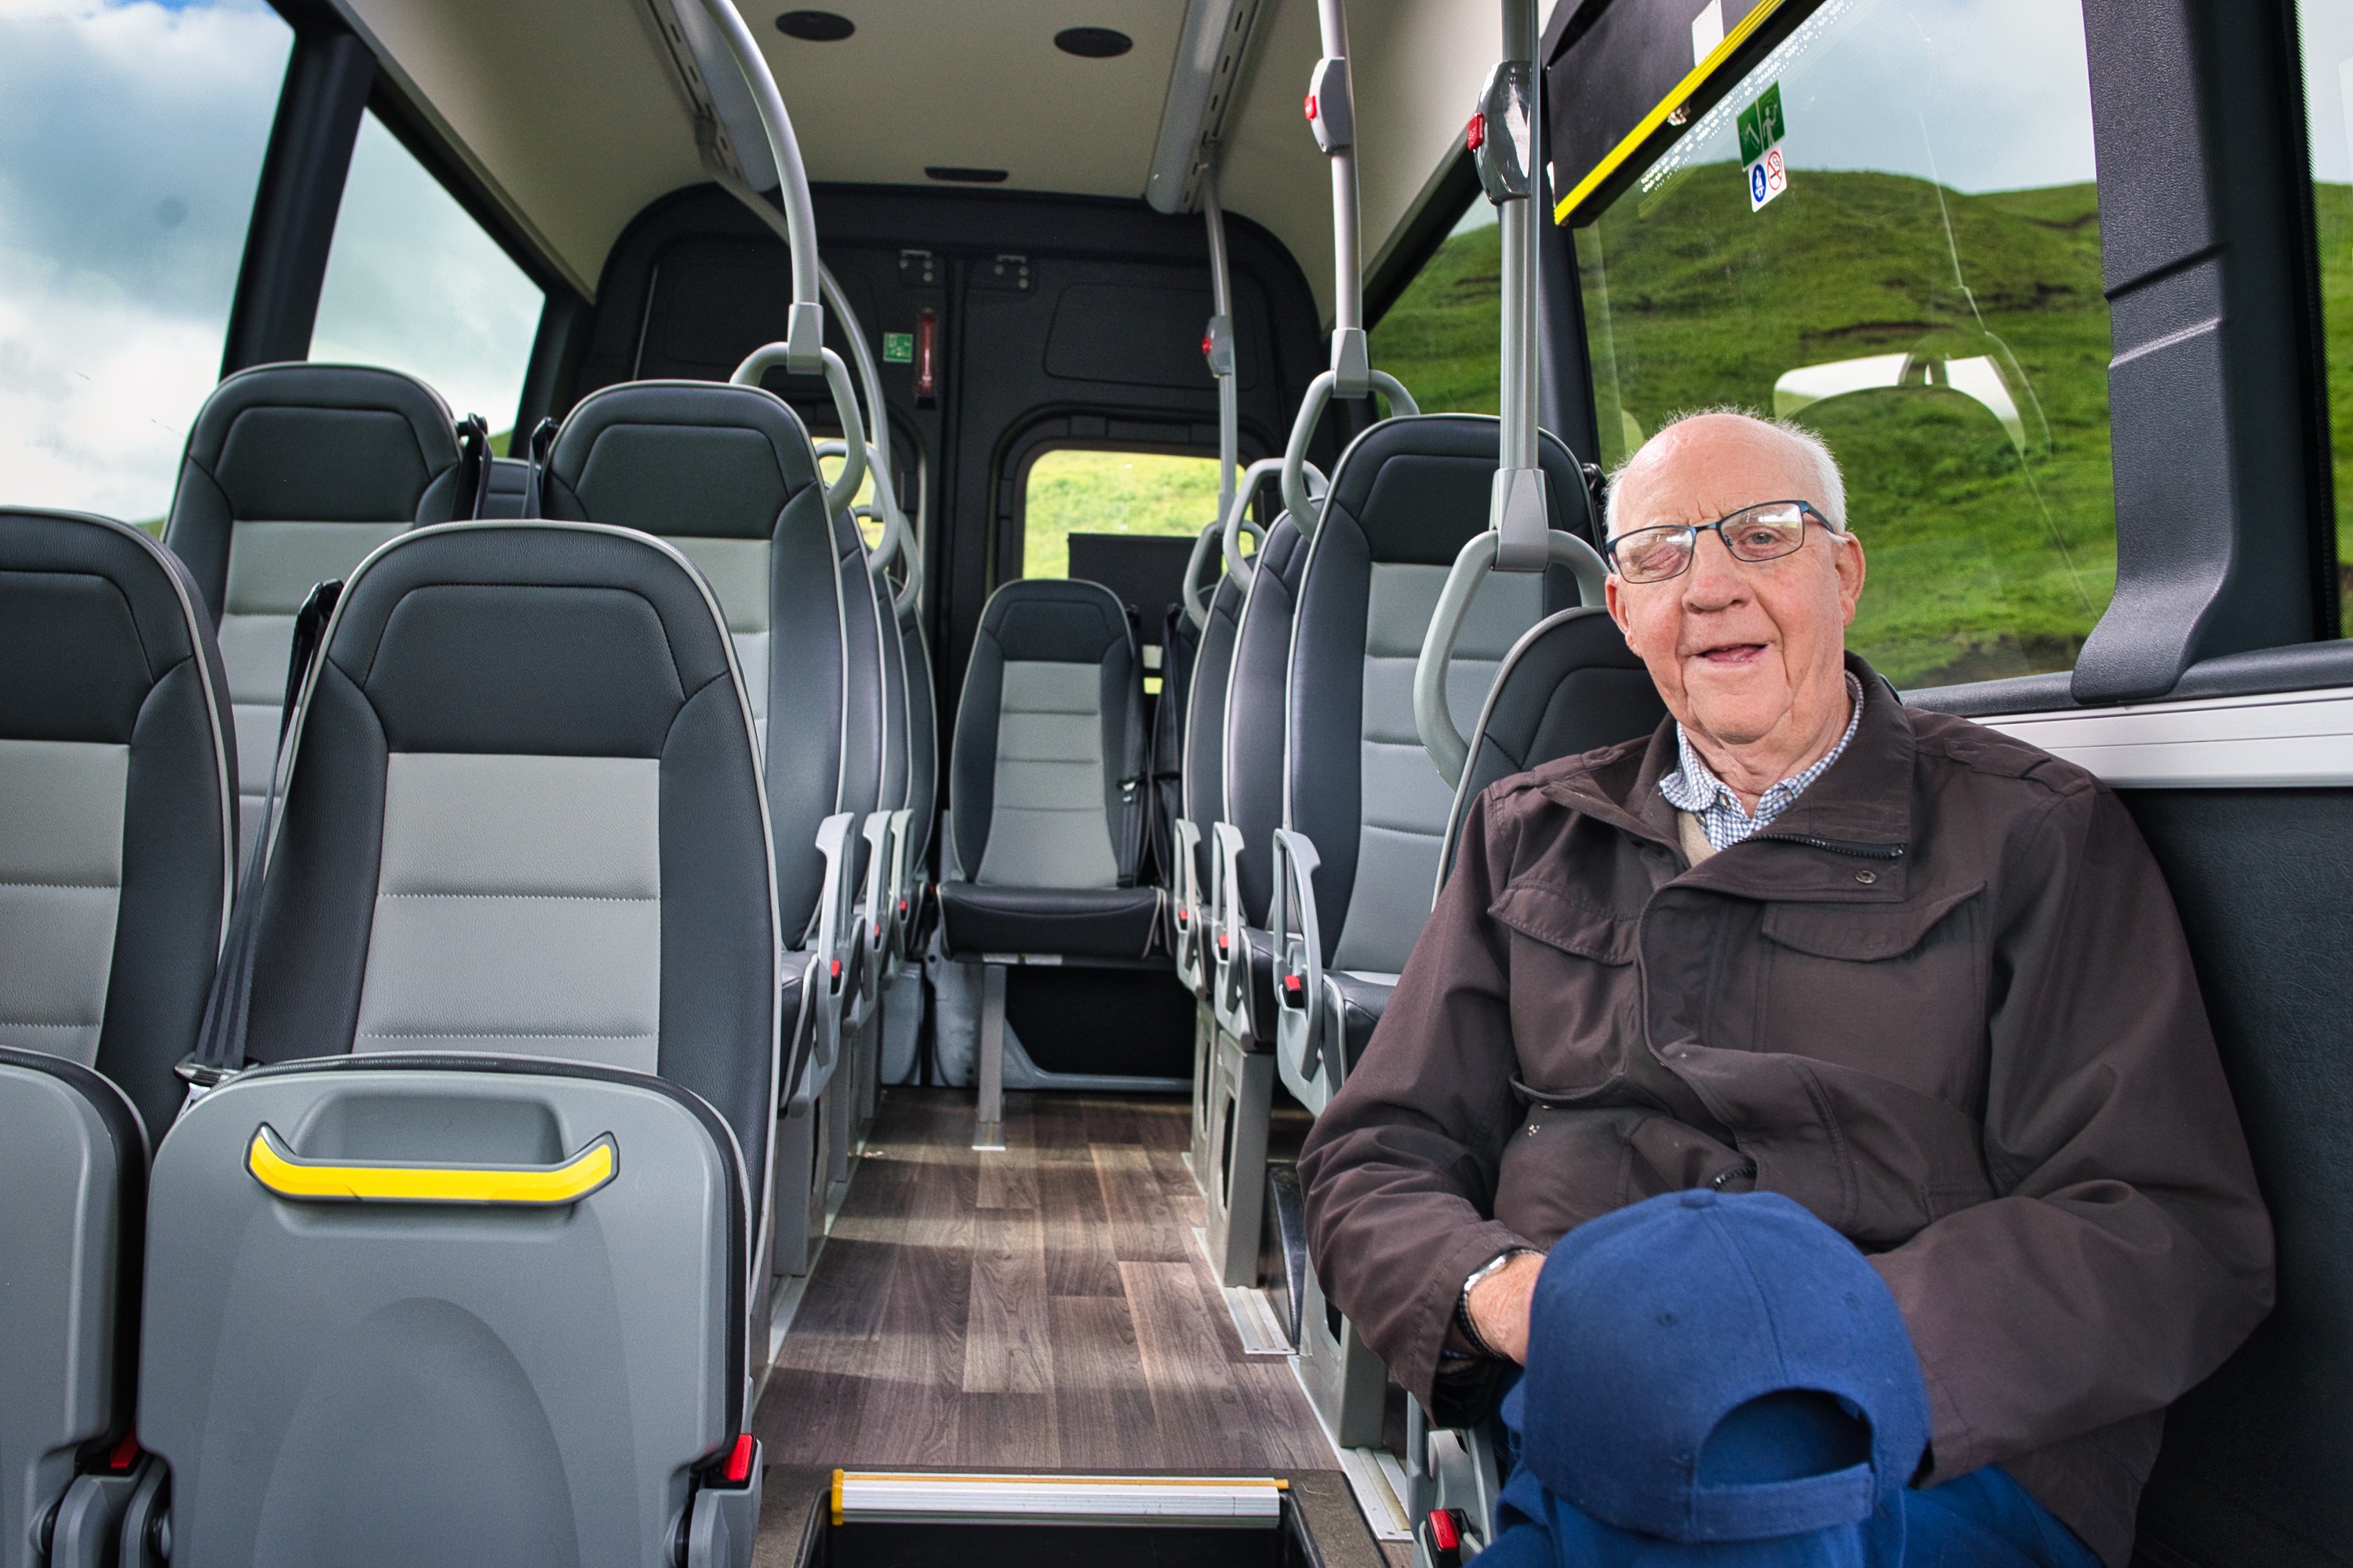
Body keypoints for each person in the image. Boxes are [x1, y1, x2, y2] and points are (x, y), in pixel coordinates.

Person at [1295, 410, 2274, 1566]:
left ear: (1844, 572)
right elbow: (1373, 1159)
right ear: (1624, 613)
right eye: (1659, 555)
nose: (1708, 588)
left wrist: (1817, 1342)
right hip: (1596, 1406)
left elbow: (2160, 1222)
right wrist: (1512, 1296)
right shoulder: (1534, 833)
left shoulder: (2033, 837)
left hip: (1930, 1442)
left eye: (1760, 535)